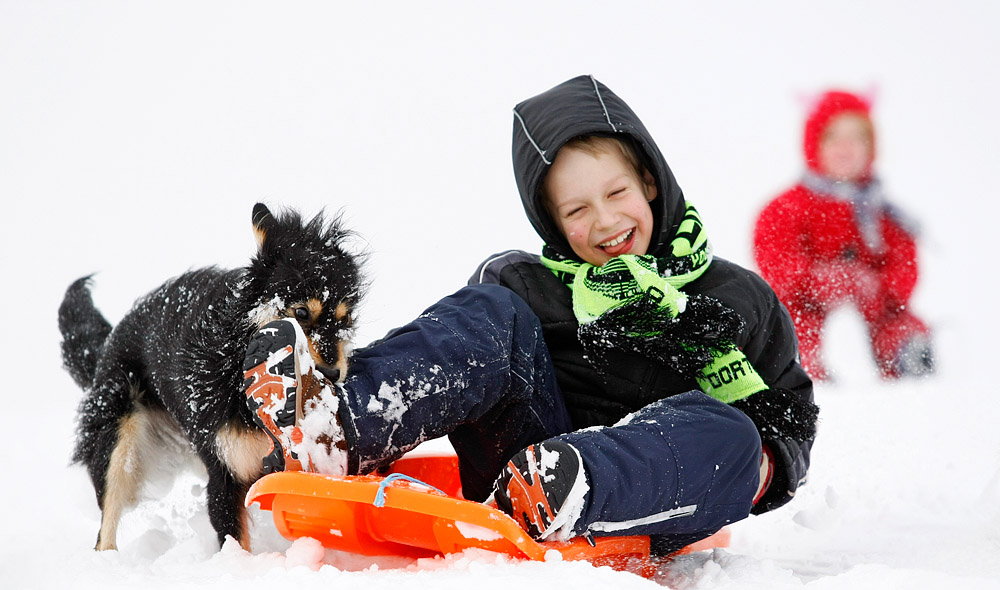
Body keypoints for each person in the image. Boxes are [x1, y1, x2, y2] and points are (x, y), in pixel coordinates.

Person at [242, 75, 818, 556]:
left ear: (650, 181)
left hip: (650, 494)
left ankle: (577, 483)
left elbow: (790, 417)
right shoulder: (525, 283)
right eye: (577, 209)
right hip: (521, 471)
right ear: (552, 222)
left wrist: (766, 464)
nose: (605, 221)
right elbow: (458, 354)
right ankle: (336, 427)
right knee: (492, 313)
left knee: (737, 434)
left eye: (617, 193)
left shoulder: (735, 297)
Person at [753, 90, 934, 381]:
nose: (845, 147)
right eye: (833, 137)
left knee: (896, 323)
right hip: (809, 306)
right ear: (814, 144)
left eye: (856, 138)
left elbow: (905, 265)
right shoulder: (787, 208)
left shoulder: (883, 213)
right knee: (796, 327)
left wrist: (877, 287)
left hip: (872, 309)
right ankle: (806, 365)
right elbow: (775, 259)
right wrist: (817, 280)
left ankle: (907, 354)